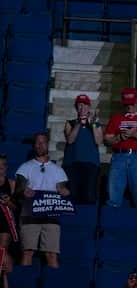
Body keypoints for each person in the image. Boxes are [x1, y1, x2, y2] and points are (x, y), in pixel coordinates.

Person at [15, 131, 72, 267]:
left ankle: (53, 286)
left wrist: (65, 192)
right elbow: (17, 191)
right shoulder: (25, 167)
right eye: (37, 143)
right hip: (30, 214)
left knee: (52, 254)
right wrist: (24, 192)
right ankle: (25, 285)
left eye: (43, 142)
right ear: (34, 146)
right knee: (27, 252)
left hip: (50, 216)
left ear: (48, 144)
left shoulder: (58, 170)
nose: (40, 145)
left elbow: (62, 189)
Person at [105, 87, 137, 209]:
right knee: (114, 198)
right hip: (119, 157)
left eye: (132, 104)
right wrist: (119, 137)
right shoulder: (116, 119)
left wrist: (135, 134)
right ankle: (110, 226)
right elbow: (107, 139)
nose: (130, 107)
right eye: (127, 104)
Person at [63, 93, 103, 204]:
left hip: (91, 165)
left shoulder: (95, 124)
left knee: (89, 197)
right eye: (80, 105)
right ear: (76, 107)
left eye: (85, 105)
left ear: (89, 107)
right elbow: (70, 140)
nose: (82, 108)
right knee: (72, 196)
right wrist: (79, 123)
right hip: (72, 164)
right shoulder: (70, 123)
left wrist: (94, 124)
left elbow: (98, 141)